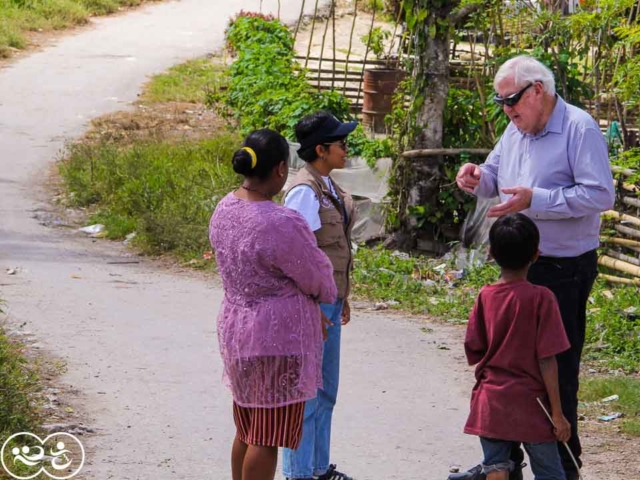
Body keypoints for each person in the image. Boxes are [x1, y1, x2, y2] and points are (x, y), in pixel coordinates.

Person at [454, 55, 615, 480]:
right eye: (501, 102)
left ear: (537, 90)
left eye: (511, 101)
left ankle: (562, 467)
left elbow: (600, 195)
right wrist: (475, 177)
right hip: (519, 271)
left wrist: (537, 200)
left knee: (555, 375)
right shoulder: (516, 127)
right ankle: (502, 465)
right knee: (511, 371)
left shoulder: (579, 128)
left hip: (563, 269)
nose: (507, 110)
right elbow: (495, 174)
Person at [209, 129, 338, 480]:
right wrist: (323, 296)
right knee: (267, 437)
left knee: (247, 427)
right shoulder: (280, 222)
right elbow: (317, 277)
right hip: (276, 339)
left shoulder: (225, 208)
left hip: (237, 331)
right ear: (281, 169)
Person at [464, 213, 571, 480]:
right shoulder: (542, 298)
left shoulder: (485, 295)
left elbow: (474, 348)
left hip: (491, 403)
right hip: (532, 406)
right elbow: (548, 359)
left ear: (491, 253)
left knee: (496, 468)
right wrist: (558, 415)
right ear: (536, 254)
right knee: (550, 474)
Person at [282, 112, 358, 480]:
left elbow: (333, 252)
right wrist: (310, 308)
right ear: (322, 149)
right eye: (341, 143)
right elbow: (296, 257)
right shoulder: (303, 192)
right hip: (311, 307)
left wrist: (341, 296)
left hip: (329, 302)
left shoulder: (326, 187)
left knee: (325, 393)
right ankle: (299, 473)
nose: (347, 148)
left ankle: (318, 468)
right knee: (307, 396)